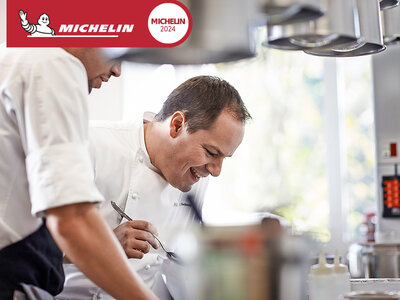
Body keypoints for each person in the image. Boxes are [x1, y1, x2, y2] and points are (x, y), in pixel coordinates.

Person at [58, 75, 252, 300]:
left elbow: (178, 267)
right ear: (177, 124)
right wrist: (104, 245)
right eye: (211, 152)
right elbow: (30, 244)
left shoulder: (196, 175)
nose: (216, 170)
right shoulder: (89, 145)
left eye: (224, 158)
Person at [0, 48, 158, 300]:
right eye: (115, 53)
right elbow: (71, 220)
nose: (117, 71)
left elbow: (20, 227)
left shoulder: (15, 58)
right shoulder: (52, 64)